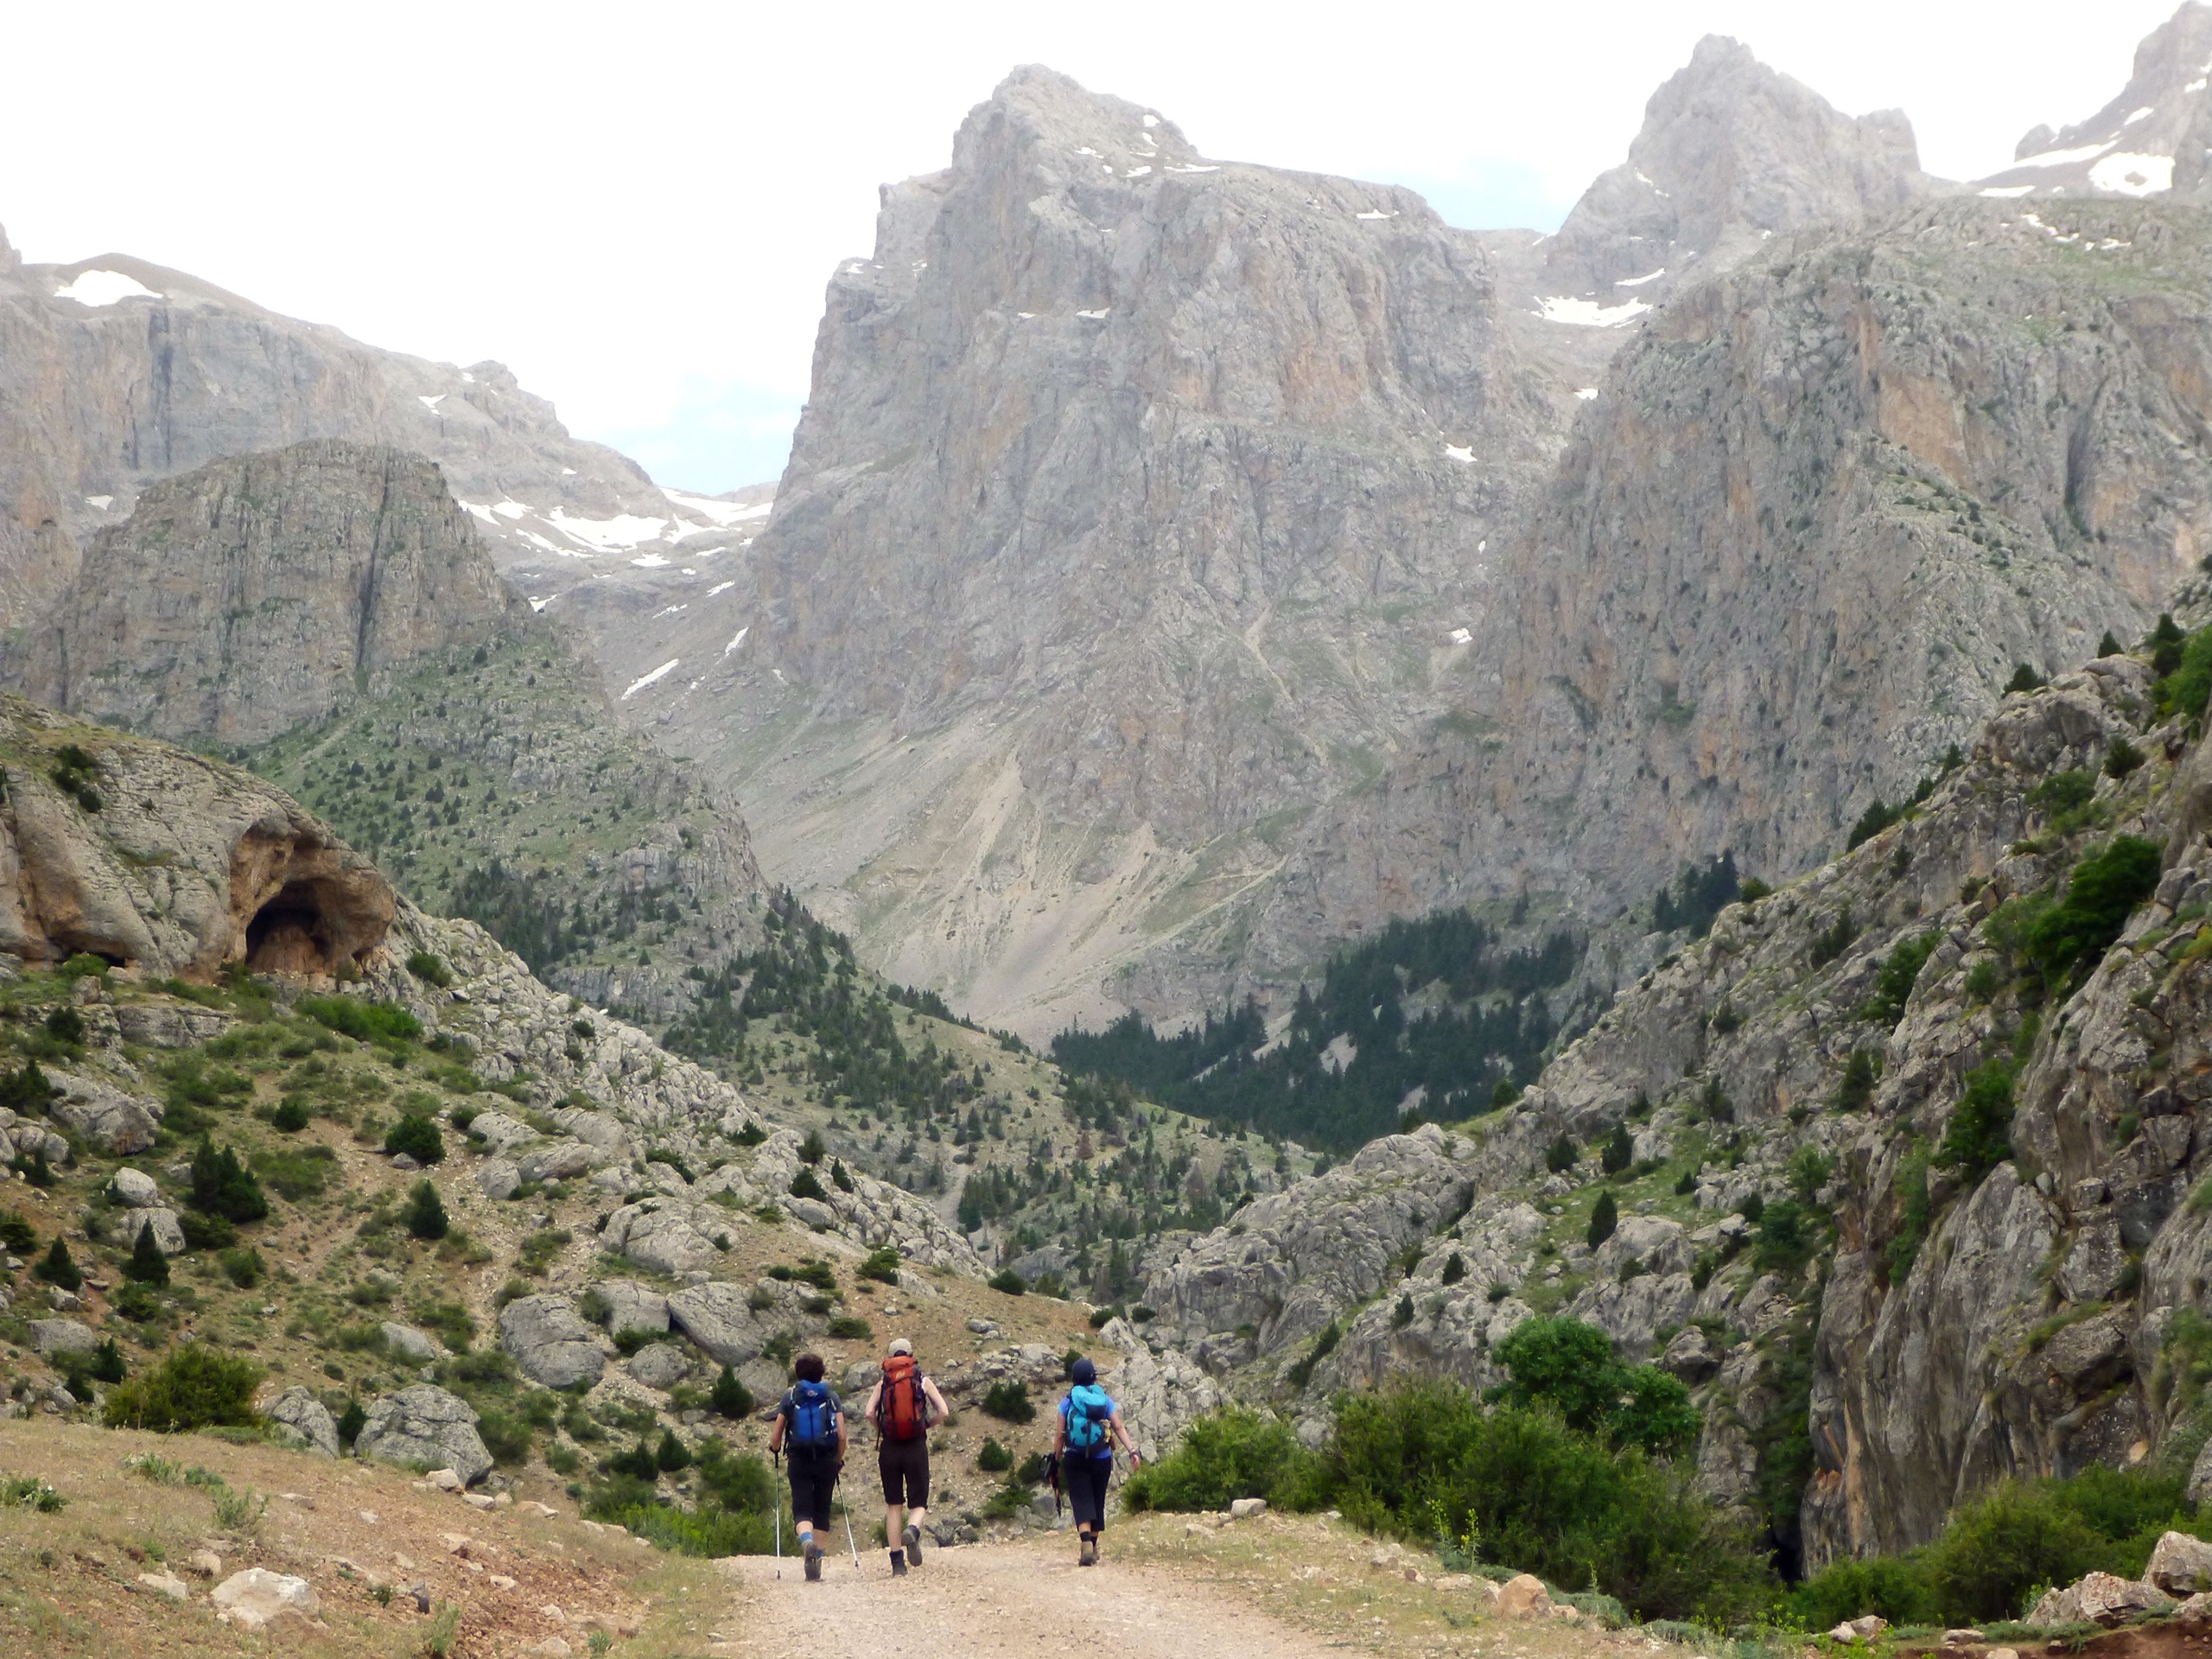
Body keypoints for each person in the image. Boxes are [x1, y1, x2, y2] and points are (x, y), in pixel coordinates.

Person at [859, 1337, 950, 1577]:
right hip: (915, 1447)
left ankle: (897, 1563)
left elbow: (869, 1413)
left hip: (890, 1448)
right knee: (918, 1503)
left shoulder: (883, 1383)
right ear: (910, 1356)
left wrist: (883, 1429)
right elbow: (944, 1411)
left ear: (890, 1358)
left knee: (894, 1505)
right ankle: (913, 1530)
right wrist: (926, 1425)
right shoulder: (922, 1381)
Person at [1051, 1356, 1139, 1567]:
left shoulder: (1068, 1401)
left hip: (1075, 1457)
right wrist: (1132, 1451)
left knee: (1081, 1499)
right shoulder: (1104, 1399)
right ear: (1093, 1377)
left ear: (1074, 1378)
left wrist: (1055, 1460)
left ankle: (1086, 1544)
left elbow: (1060, 1435)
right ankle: (1094, 1544)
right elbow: (1118, 1426)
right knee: (1098, 1499)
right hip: (1102, 1458)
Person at [767, 1352, 847, 1581]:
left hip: (799, 1459)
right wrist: (838, 1458)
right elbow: (842, 1435)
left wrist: (774, 1448)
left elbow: (776, 1436)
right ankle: (816, 1562)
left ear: (798, 1373)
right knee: (822, 1511)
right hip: (827, 1459)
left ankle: (807, 1541)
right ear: (821, 1373)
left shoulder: (791, 1396)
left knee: (802, 1509)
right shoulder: (831, 1395)